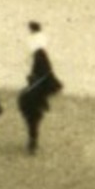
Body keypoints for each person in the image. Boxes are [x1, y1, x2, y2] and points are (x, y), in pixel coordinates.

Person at [19, 22, 62, 153]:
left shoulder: (37, 48)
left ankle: (32, 141)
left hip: (38, 74)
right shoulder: (41, 45)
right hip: (42, 74)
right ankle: (44, 103)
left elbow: (34, 64)